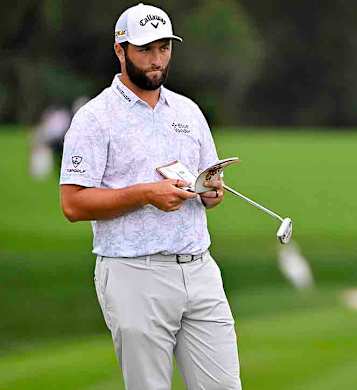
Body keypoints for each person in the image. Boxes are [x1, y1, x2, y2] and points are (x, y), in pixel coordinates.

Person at [59, 4, 241, 389]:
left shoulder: (189, 112)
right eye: (145, 49)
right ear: (120, 50)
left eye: (164, 48)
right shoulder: (94, 118)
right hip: (133, 273)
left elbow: (207, 185)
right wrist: (145, 194)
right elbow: (73, 204)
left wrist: (211, 192)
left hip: (200, 269)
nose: (156, 60)